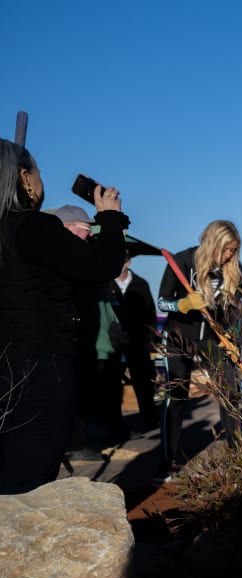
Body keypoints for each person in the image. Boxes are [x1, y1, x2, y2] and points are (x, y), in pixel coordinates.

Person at [0, 139, 126, 493]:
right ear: (24, 178)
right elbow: (101, 264)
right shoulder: (33, 227)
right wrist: (110, 217)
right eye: (37, 172)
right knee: (26, 485)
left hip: (8, 361)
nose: (42, 181)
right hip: (37, 367)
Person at [155, 219, 242, 480]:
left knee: (229, 393)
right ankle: (167, 460)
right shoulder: (182, 261)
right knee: (176, 395)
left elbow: (237, 311)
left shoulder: (233, 269)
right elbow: (163, 301)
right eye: (226, 249)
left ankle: (238, 457)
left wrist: (234, 338)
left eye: (233, 250)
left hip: (213, 338)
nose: (229, 255)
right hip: (179, 336)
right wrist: (183, 305)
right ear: (213, 242)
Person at [58, 205, 128, 461]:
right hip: (76, 339)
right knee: (76, 395)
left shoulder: (88, 262)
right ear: (68, 228)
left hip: (98, 339)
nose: (89, 235)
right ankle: (76, 445)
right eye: (85, 229)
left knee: (94, 393)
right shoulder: (63, 259)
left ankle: (92, 439)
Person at [110, 254, 159, 432]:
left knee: (144, 383)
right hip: (113, 344)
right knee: (113, 385)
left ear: (128, 262)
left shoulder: (141, 284)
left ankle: (150, 420)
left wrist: (150, 339)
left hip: (138, 342)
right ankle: (115, 425)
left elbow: (151, 314)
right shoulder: (106, 285)